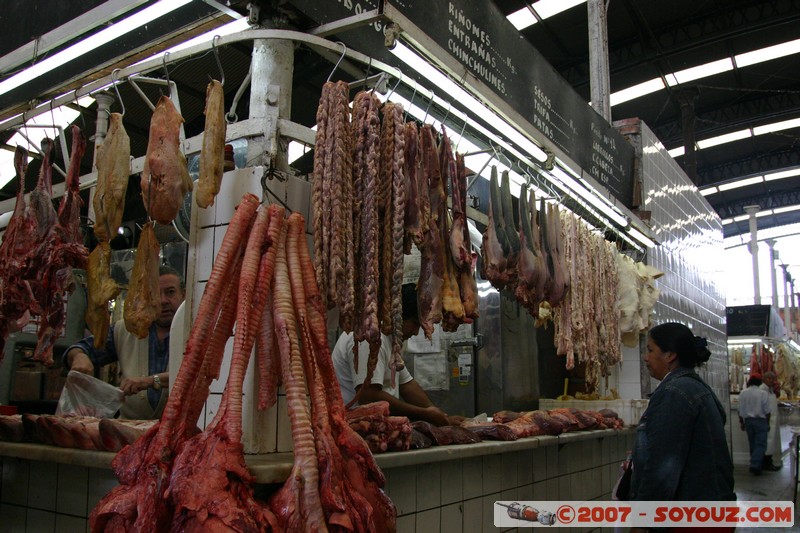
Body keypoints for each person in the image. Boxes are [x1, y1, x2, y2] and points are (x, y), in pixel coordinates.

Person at [629, 322, 735, 501]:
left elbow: (663, 468)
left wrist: (644, 520)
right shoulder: (694, 386)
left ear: (670, 355)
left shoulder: (675, 392)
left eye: (650, 350)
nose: (646, 357)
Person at [64, 265, 186, 419]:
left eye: (170, 292)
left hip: (180, 433)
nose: (162, 300)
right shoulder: (126, 329)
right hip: (129, 431)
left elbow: (195, 374)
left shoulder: (196, 331)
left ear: (184, 295)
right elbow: (81, 348)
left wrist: (150, 381)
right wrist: (78, 356)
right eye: (155, 294)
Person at [332, 284, 463, 427]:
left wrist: (438, 415)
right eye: (414, 324)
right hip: (354, 427)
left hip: (377, 426)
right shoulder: (369, 336)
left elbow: (407, 385)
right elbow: (368, 396)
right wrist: (424, 414)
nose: (415, 332)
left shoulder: (390, 339)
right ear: (398, 316)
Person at [738, 373, 772, 475]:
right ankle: (755, 465)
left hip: (748, 421)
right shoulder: (762, 393)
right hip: (760, 421)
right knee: (761, 444)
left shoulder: (743, 393)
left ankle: (756, 465)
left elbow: (739, 410)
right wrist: (768, 423)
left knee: (752, 444)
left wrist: (741, 422)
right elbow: (767, 411)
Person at [760, 371, 782, 470]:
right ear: (764, 379)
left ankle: (769, 462)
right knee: (767, 443)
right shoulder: (762, 390)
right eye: (769, 378)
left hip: (772, 420)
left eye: (773, 379)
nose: (771, 380)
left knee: (771, 442)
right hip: (766, 420)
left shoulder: (770, 390)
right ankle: (766, 463)